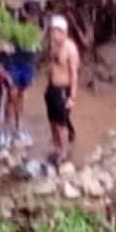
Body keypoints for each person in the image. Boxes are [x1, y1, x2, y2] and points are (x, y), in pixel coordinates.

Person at [0, 2, 40, 148]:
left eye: (34, 16)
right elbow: (5, 50)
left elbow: (35, 51)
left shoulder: (35, 28)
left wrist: (33, 70)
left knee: (21, 97)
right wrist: (6, 72)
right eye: (30, 15)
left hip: (27, 66)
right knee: (11, 96)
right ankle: (6, 131)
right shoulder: (14, 28)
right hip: (13, 65)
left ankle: (18, 128)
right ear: (24, 12)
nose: (32, 18)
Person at [44, 15, 80, 165]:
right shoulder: (53, 45)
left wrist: (72, 97)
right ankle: (57, 148)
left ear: (64, 32)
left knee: (61, 124)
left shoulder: (70, 48)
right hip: (51, 88)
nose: (54, 33)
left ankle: (64, 151)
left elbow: (74, 74)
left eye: (57, 31)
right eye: (53, 30)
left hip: (63, 89)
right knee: (52, 122)